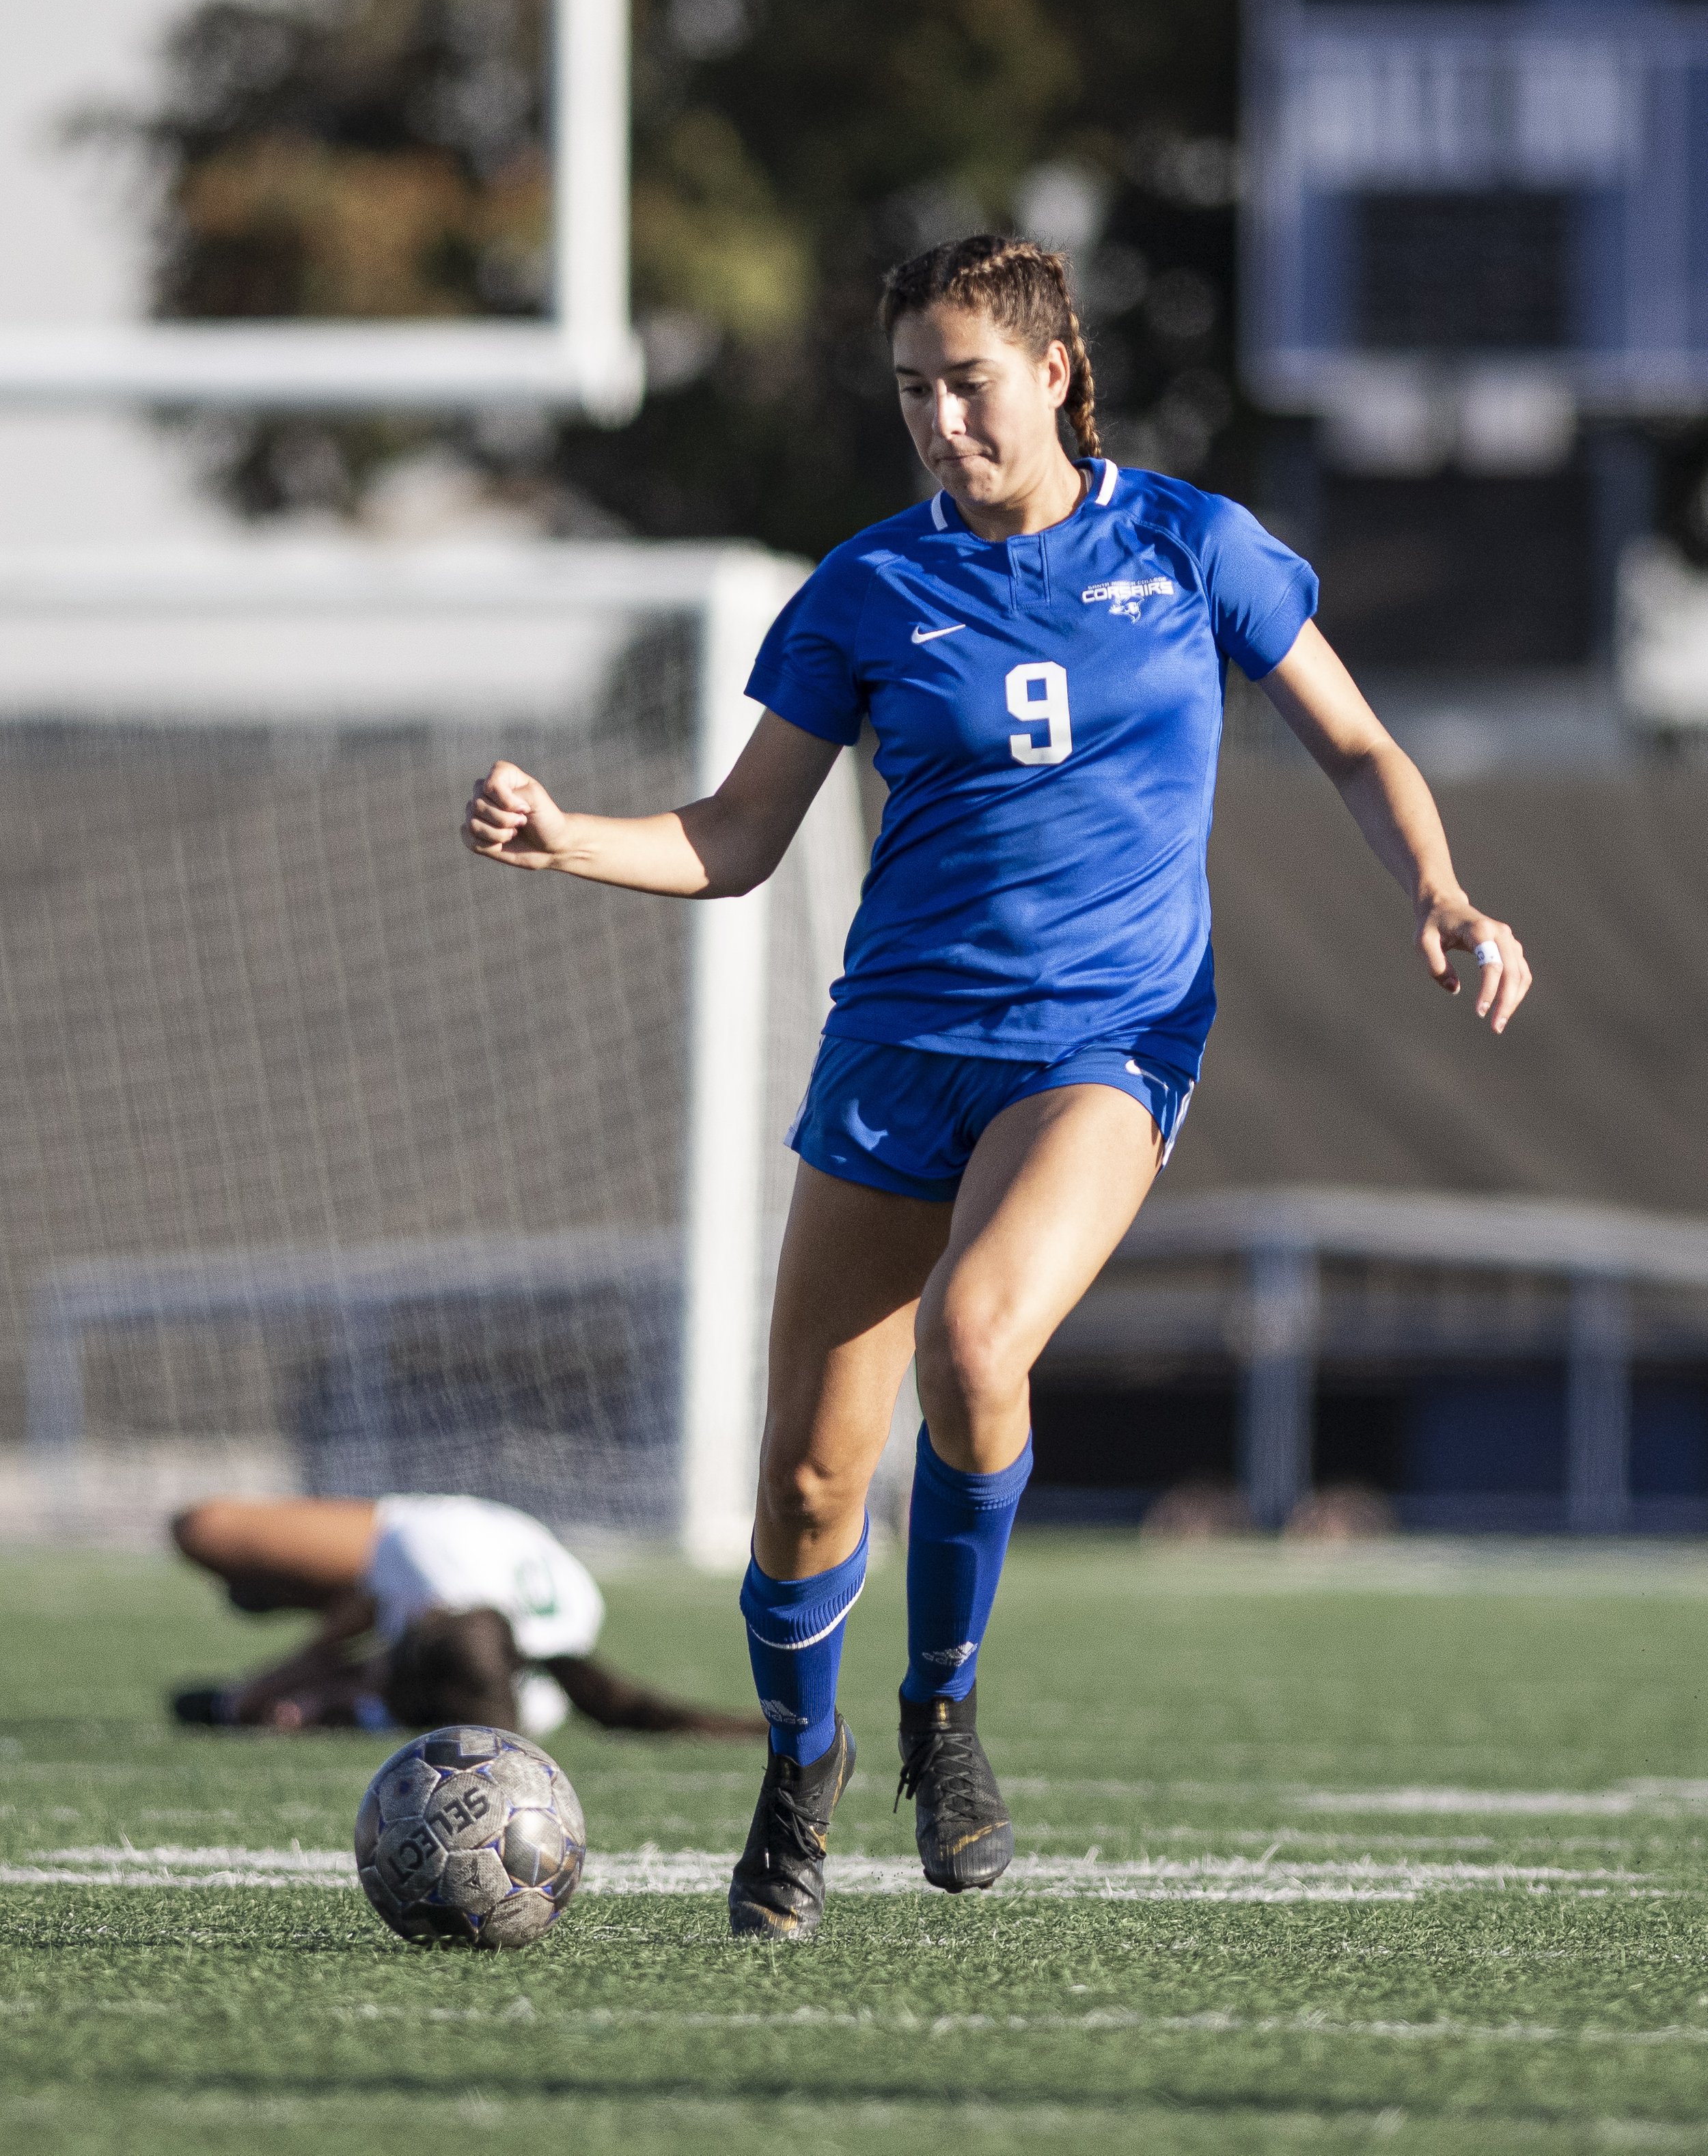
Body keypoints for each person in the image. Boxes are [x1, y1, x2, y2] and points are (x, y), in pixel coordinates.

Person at [461, 234, 1532, 1939]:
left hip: (1103, 1040)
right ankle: (794, 1778)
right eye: (909, 388)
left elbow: (1358, 740)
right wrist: (566, 836)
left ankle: (939, 1713)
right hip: (894, 1047)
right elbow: (739, 840)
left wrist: (1442, 890)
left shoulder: (1189, 544)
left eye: (967, 379)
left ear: (1053, 370)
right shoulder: (867, 588)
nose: (939, 416)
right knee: (809, 1474)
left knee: (979, 1341)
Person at [169, 1493, 764, 1741]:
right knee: (201, 1530)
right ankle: (269, 1599)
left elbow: (383, 1695)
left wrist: (311, 1707)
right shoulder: (437, 1588)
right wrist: (256, 1689)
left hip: (469, 1579)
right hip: (397, 1542)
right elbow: (356, 1625)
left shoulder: (538, 1700)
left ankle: (263, 1616)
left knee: (303, 1691)